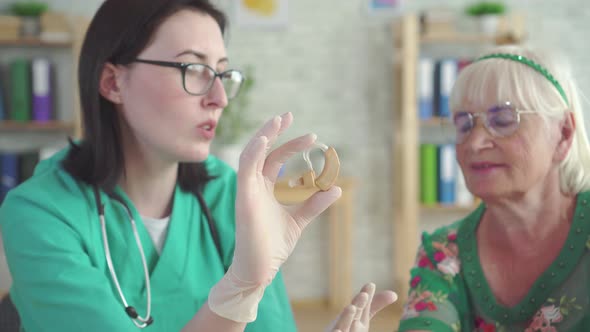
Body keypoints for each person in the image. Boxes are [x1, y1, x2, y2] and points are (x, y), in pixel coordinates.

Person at [0, 0, 354, 331]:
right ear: (113, 82)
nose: (218, 99)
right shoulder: (38, 214)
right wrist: (236, 294)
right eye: (194, 69)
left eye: (222, 74)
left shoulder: (229, 192)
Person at [397, 44, 590, 331]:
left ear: (563, 134)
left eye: (503, 120)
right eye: (463, 124)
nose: (474, 143)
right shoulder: (442, 252)